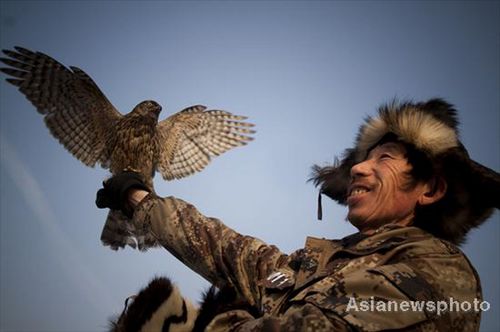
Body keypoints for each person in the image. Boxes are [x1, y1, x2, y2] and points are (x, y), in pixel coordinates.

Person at [97, 99, 500, 331]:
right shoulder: (318, 265)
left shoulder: (441, 275)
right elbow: (227, 250)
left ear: (430, 189)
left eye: (385, 158)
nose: (359, 168)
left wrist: (206, 324)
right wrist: (138, 199)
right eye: (362, 159)